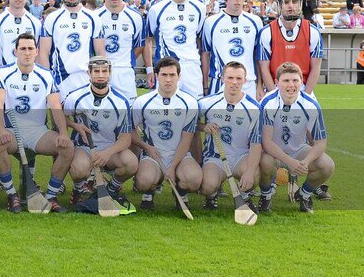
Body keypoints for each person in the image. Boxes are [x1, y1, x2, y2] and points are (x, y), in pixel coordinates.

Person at [0, 33, 75, 212]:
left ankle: (51, 196)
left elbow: (55, 106)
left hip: (38, 131)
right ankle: (11, 194)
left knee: (67, 147)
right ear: (15, 51)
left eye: (30, 49)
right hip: (12, 130)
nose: (27, 53)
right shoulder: (3, 73)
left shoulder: (46, 74)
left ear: (37, 51)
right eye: (23, 49)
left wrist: (62, 133)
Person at [259, 62, 334, 213]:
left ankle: (304, 194)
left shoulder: (311, 104)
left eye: (295, 80)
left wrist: (304, 163)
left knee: (327, 165)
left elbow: (320, 142)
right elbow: (266, 142)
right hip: (272, 152)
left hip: (298, 150)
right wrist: (290, 163)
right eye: (286, 80)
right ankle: (266, 195)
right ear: (276, 82)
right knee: (264, 162)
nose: (291, 85)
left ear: (302, 82)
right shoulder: (268, 103)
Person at [64, 57, 138, 209]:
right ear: (89, 74)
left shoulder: (120, 101)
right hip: (84, 148)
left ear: (110, 73)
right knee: (78, 168)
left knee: (131, 163)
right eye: (96, 71)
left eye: (104, 71)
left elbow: (126, 140)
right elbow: (58, 117)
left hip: (110, 149)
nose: (100, 75)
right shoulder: (76, 97)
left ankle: (111, 189)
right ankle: (80, 189)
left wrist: (107, 154)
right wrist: (74, 125)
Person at [130, 57, 202, 211]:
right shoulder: (142, 102)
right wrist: (146, 147)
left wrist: (172, 166)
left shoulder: (189, 102)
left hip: (181, 155)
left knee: (194, 179)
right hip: (153, 155)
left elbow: (187, 139)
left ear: (179, 76)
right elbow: (130, 131)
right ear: (157, 76)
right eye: (164, 75)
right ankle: (149, 192)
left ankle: (180, 193)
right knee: (143, 181)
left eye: (172, 75)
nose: (168, 80)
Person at [198, 61, 262, 211]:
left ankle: (244, 196)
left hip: (241, 156)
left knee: (254, 175)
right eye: (230, 78)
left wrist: (250, 171)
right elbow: (187, 125)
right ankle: (211, 195)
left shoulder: (254, 108)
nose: (234, 82)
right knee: (207, 186)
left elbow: (256, 143)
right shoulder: (207, 103)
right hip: (215, 157)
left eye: (239, 79)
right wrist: (203, 126)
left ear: (245, 80)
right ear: (222, 78)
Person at [144, 0, 207, 98]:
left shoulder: (199, 8)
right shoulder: (157, 9)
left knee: (195, 111)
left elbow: (199, 39)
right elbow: (148, 40)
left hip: (192, 66)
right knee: (167, 111)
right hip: (167, 66)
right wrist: (150, 69)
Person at [38, 0, 106, 96]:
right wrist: (47, 81)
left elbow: (100, 54)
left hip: (86, 78)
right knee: (60, 115)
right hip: (59, 78)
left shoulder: (93, 18)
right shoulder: (51, 19)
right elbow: (43, 53)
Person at [201, 0, 263, 98]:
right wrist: (205, 84)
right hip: (220, 82)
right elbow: (205, 54)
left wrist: (260, 84)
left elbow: (258, 56)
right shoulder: (211, 22)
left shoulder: (255, 21)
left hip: (248, 82)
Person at [257, 0, 323, 98]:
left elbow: (315, 68)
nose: (291, 6)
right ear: (280, 5)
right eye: (286, 2)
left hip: (302, 88)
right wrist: (276, 97)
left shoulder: (313, 32)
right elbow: (264, 69)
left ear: (300, 4)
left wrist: (305, 97)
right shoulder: (266, 32)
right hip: (275, 88)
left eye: (295, 2)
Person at [94, 0, 144, 100]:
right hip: (100, 71)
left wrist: (124, 61)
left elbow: (139, 46)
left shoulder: (135, 17)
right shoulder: (94, 17)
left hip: (125, 72)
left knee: (128, 114)